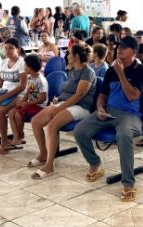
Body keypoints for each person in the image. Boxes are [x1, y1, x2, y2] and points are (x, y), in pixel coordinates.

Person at [74, 36, 143, 202]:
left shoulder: (141, 70)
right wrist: (100, 108)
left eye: (124, 47)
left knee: (123, 135)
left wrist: (120, 72)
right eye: (118, 46)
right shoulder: (110, 71)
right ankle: (95, 163)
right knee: (79, 130)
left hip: (130, 115)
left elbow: (132, 96)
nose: (119, 49)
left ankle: (128, 184)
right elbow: (103, 95)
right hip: (108, 112)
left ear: (133, 51)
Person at [29, 45, 96, 178]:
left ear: (76, 56)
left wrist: (59, 108)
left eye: (70, 53)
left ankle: (49, 165)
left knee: (51, 126)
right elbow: (67, 91)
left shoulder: (87, 72)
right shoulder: (72, 70)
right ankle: (43, 154)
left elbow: (79, 95)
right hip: (65, 103)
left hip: (81, 107)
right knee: (36, 121)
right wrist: (57, 101)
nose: (67, 56)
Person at [9, 54, 48, 147]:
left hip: (40, 106)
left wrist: (27, 103)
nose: (24, 67)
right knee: (11, 113)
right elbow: (28, 92)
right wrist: (22, 102)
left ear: (30, 68)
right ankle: (16, 136)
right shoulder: (30, 77)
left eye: (25, 65)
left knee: (18, 114)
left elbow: (43, 98)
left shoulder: (40, 80)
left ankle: (20, 136)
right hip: (30, 104)